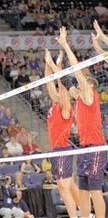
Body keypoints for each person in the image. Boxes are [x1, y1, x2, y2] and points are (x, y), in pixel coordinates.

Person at [55, 26, 107, 218]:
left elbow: (77, 71)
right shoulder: (78, 98)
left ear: (90, 84)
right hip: (85, 148)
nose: (81, 82)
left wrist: (66, 45)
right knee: (83, 192)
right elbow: (66, 82)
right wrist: (57, 65)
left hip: (96, 149)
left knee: (95, 192)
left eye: (85, 81)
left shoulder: (89, 94)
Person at [45, 48, 79, 217]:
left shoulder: (66, 107)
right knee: (70, 186)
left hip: (62, 150)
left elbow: (61, 84)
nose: (58, 92)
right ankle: (87, 211)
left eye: (61, 91)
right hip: (56, 151)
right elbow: (48, 82)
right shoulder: (54, 104)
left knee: (63, 188)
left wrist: (57, 63)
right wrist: (47, 63)